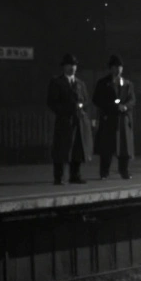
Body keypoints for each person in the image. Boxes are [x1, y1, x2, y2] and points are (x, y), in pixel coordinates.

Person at [46, 53, 93, 185]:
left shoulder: (80, 83)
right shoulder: (57, 82)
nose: (72, 68)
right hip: (64, 120)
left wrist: (82, 107)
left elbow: (86, 100)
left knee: (77, 148)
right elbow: (52, 102)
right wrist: (65, 110)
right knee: (61, 149)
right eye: (69, 65)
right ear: (64, 67)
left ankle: (75, 175)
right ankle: (58, 176)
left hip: (78, 120)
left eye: (74, 65)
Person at [92, 55, 136, 180]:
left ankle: (124, 171)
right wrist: (111, 106)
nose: (117, 70)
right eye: (115, 67)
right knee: (107, 147)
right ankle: (104, 172)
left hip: (123, 119)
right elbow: (96, 99)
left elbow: (132, 100)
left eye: (119, 67)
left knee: (124, 147)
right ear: (110, 69)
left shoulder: (127, 84)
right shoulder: (103, 83)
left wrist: (125, 107)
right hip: (109, 118)